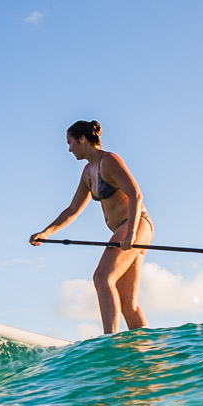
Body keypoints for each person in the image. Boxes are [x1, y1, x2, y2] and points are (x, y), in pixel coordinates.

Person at [30, 119, 152, 334]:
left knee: (102, 278)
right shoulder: (88, 172)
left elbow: (136, 194)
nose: (69, 149)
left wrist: (131, 233)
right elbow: (72, 210)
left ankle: (110, 340)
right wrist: (46, 233)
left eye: (70, 142)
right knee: (127, 304)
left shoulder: (110, 161)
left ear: (83, 139)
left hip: (135, 226)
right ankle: (146, 350)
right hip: (124, 232)